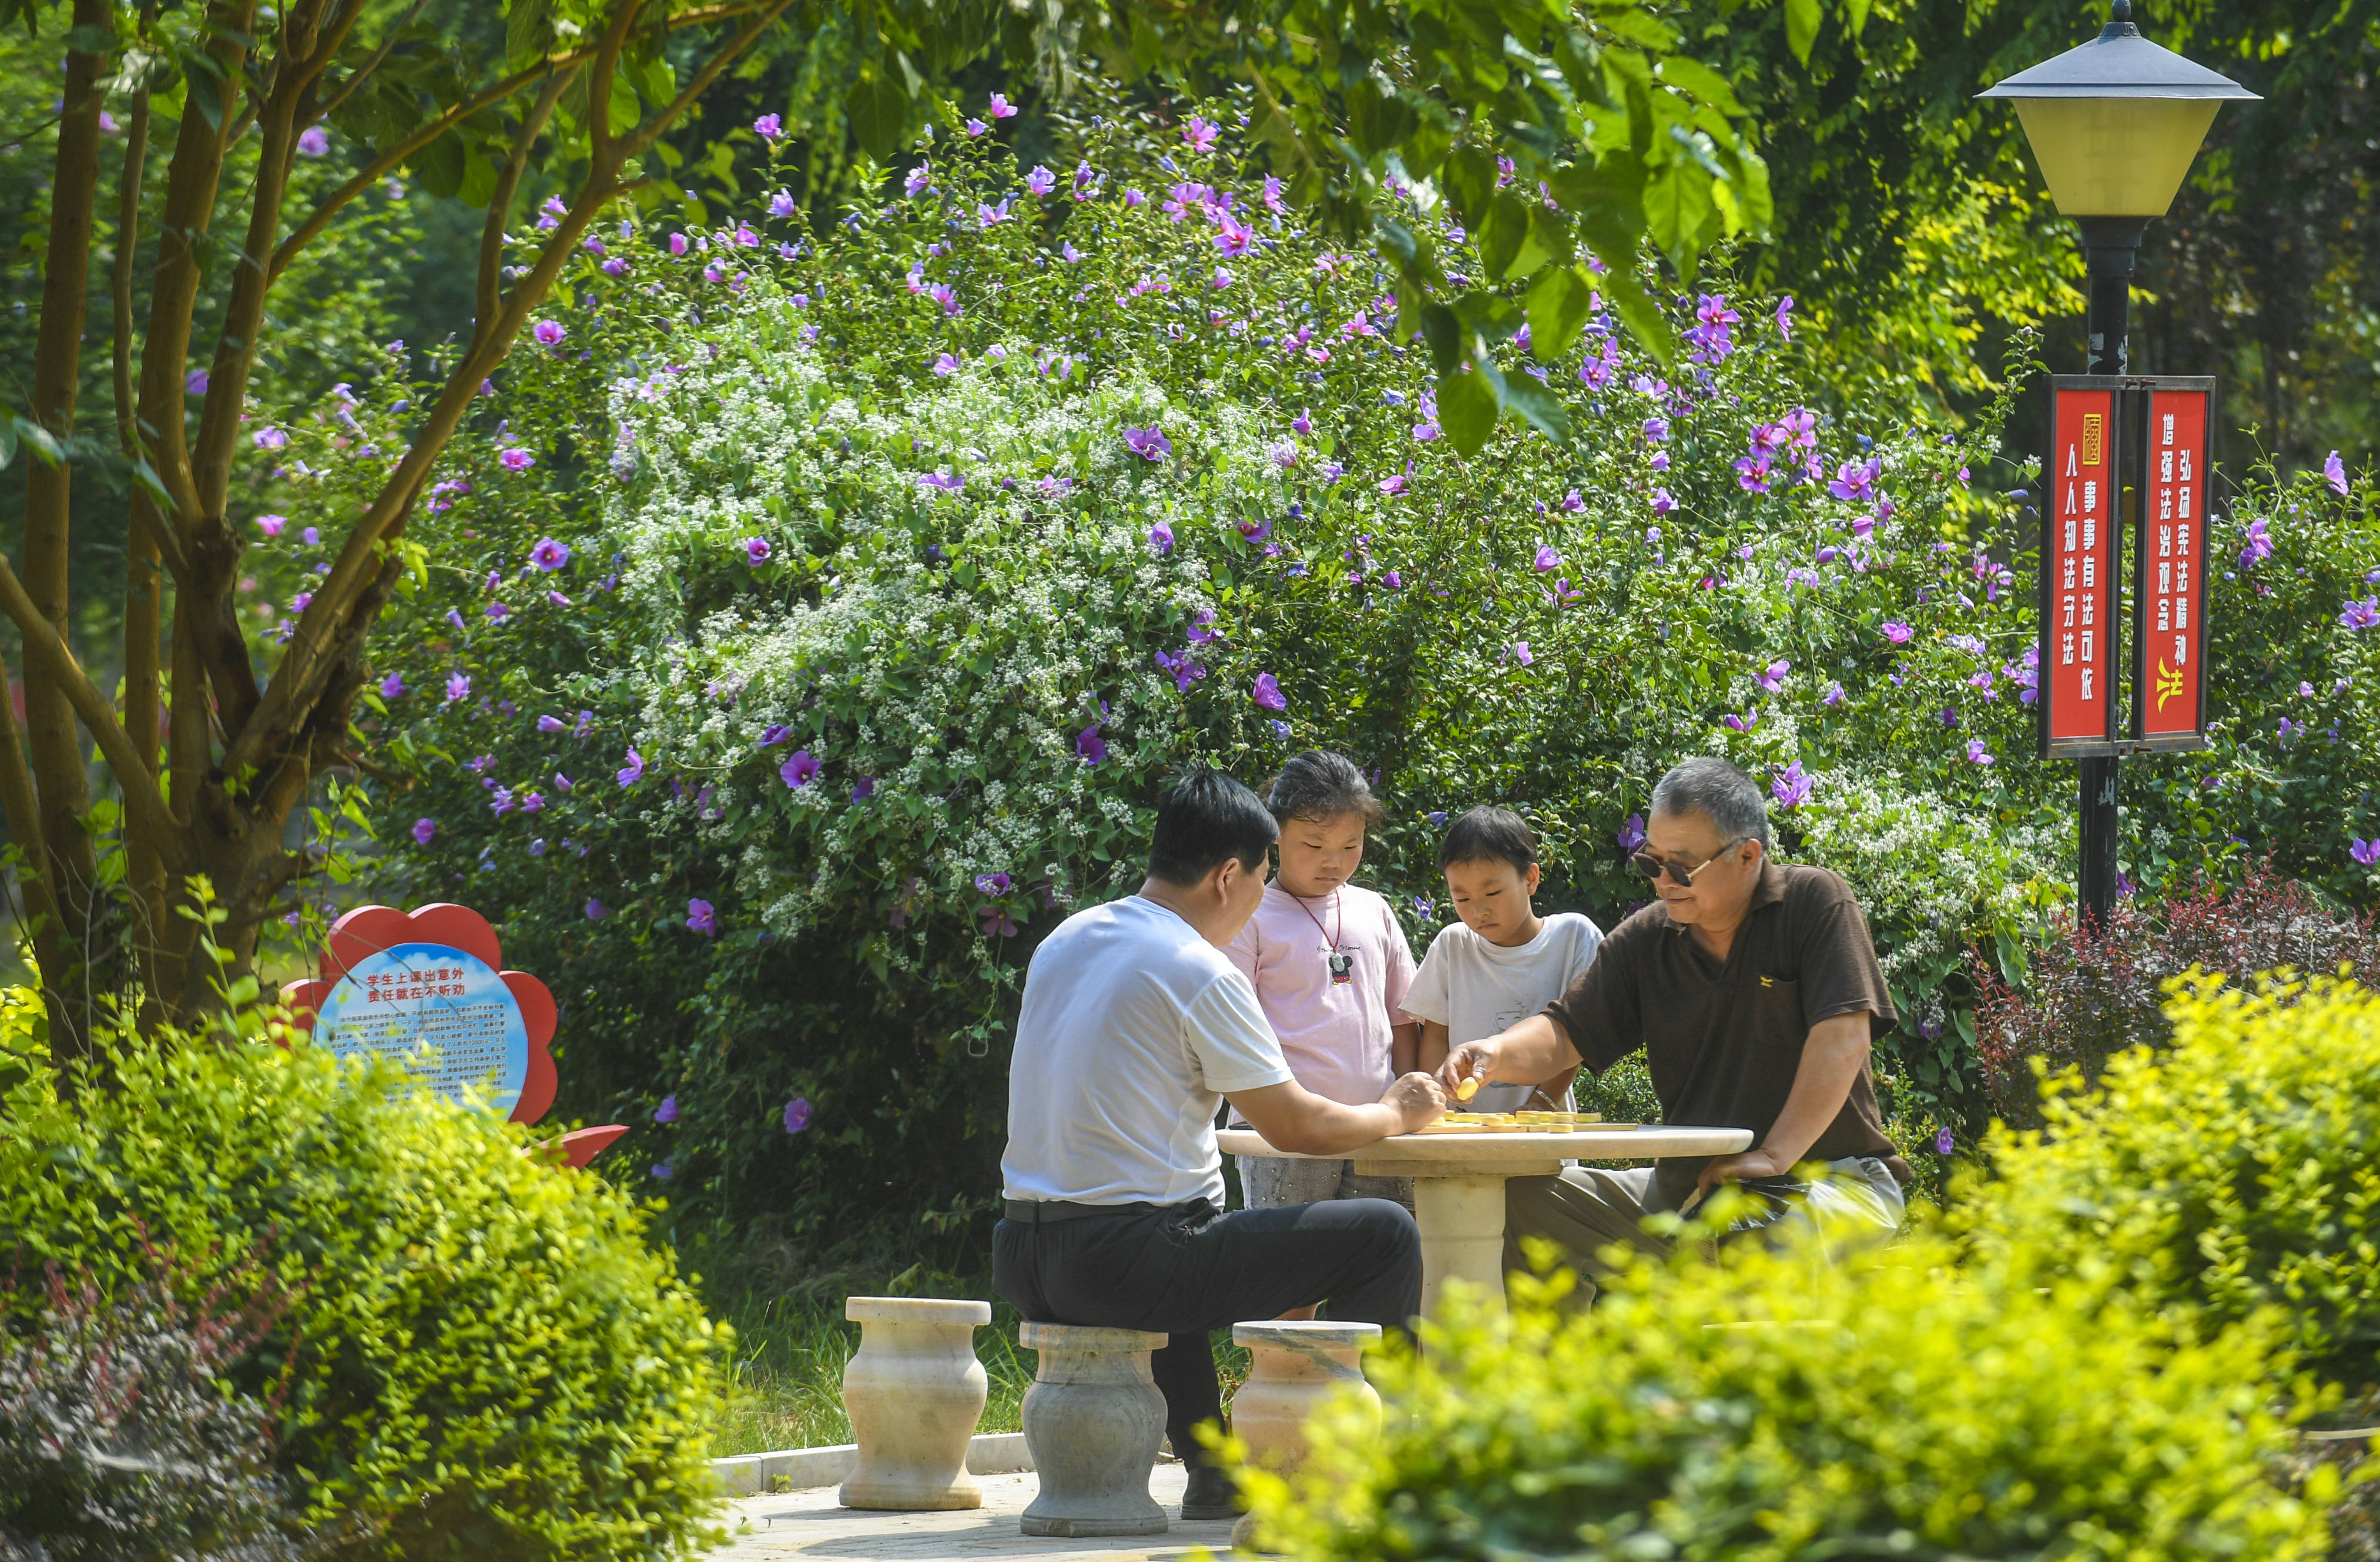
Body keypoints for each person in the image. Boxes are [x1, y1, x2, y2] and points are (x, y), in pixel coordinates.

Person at [995, 767, 1446, 1520]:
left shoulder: (1069, 937)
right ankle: (1381, 1469)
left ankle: (1212, 1473)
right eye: (1263, 881)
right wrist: (1395, 1113)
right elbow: (1296, 1127)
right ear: (1228, 875)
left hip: (1022, 1252)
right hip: (1122, 1263)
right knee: (1384, 1232)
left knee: (1187, 1224)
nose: (1257, 905)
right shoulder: (1197, 967)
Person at [1437, 757, 1912, 1296]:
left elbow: (1844, 1037)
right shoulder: (1647, 938)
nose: (1663, 882)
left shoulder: (1814, 901)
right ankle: (1553, 1377)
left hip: (1831, 1183)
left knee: (1762, 1237)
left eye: (1681, 868)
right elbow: (1565, 1033)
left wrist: (1774, 1156)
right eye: (1651, 864)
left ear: (1748, 856)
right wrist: (1492, 1053)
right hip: (1689, 1191)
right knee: (1520, 1203)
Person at [1227, 752, 1420, 1212]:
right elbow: (1234, 1029)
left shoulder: (1375, 909)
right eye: (1314, 846)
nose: (1333, 862)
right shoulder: (1247, 915)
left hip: (1380, 1128)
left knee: (1382, 1268)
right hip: (1283, 1135)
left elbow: (1406, 1019)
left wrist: (1406, 1095)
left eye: (1351, 846)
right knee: (1290, 1275)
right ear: (1275, 835)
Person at [1406, 806, 1601, 1114]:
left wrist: (1543, 1103)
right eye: (1463, 899)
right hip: (1461, 1139)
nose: (1478, 911)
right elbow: (1435, 1037)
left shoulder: (1575, 937)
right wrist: (1442, 1102)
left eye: (1493, 893)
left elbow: (1576, 1037)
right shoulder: (1452, 943)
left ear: (1530, 878)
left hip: (1545, 1135)